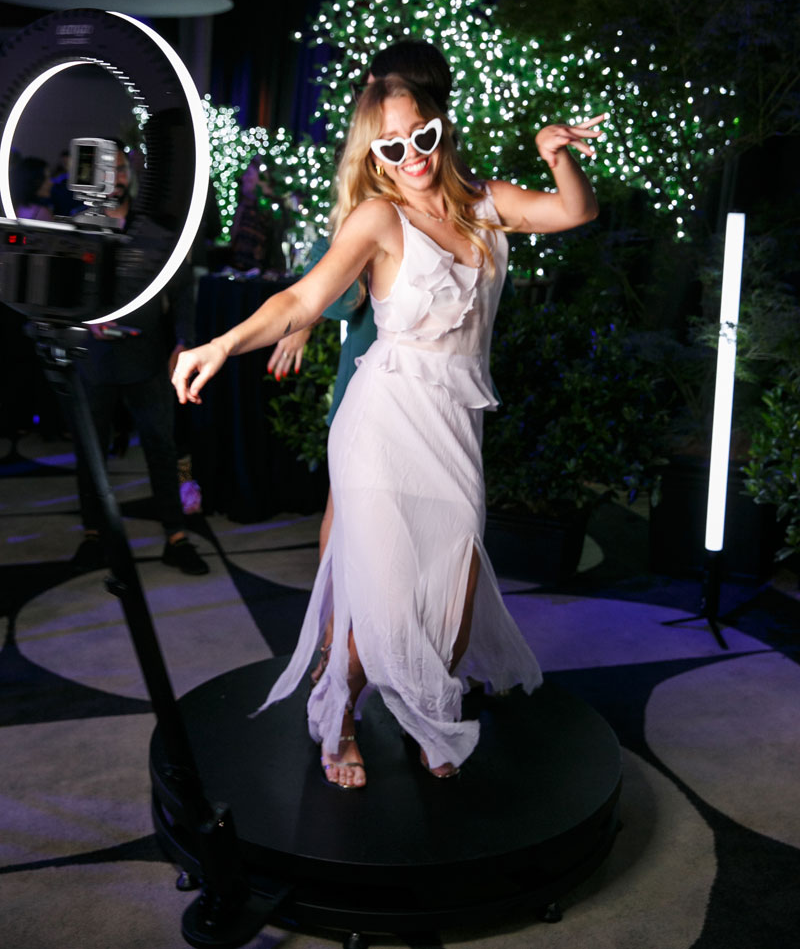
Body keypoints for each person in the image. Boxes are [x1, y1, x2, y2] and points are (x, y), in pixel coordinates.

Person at [172, 74, 604, 786]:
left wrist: (556, 155)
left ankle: (424, 709)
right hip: (381, 422)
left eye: (421, 135)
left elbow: (575, 211)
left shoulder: (487, 204)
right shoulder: (378, 218)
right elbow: (301, 298)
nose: (412, 155)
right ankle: (339, 714)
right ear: (375, 154)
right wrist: (222, 345)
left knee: (452, 598)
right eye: (392, 145)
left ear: (440, 127)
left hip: (453, 425)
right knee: (384, 594)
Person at [267, 41, 454, 686]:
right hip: (374, 360)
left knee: (429, 524)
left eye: (378, 86)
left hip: (442, 378)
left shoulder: (440, 171)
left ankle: (415, 653)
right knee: (347, 507)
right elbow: (330, 283)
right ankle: (333, 640)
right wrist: (302, 322)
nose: (368, 99)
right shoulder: (378, 178)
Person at [71, 145, 209, 577]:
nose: (115, 179)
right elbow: (65, 288)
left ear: (130, 174)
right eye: (106, 171)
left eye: (120, 170)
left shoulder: (154, 231)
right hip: (93, 358)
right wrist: (84, 319)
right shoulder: (80, 226)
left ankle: (176, 536)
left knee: (160, 446)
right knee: (90, 450)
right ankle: (93, 534)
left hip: (147, 356)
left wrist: (184, 341)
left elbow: (182, 289)